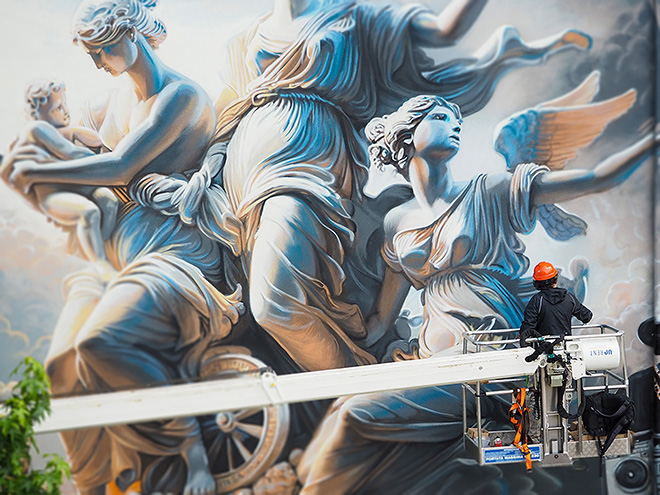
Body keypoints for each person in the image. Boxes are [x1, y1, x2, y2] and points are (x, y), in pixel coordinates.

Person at [141, 0, 592, 373]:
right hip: (243, 174)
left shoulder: (352, 19)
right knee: (245, 299)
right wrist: (203, 173)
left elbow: (442, 28)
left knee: (274, 303)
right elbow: (229, 110)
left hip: (304, 162)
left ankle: (355, 384)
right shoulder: (250, 33)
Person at [296, 93, 654, 494]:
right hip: (433, 362)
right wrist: (312, 317)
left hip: (488, 364)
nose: (455, 125)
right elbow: (379, 322)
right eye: (440, 116)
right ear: (409, 132)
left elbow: (597, 178)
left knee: (353, 418)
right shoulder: (398, 221)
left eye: (458, 121)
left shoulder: (491, 191)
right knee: (341, 412)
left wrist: (651, 140)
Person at [1, 1, 243, 494]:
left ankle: (192, 449)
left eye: (102, 49)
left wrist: (37, 171)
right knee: (60, 371)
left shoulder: (181, 97)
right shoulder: (113, 100)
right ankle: (99, 481)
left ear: (129, 32)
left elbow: (118, 170)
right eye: (90, 53)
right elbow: (84, 152)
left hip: (173, 253)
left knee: (99, 343)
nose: (97, 64)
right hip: (113, 255)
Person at [18, 78, 117, 280]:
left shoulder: (61, 132)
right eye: (57, 107)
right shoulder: (37, 130)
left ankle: (98, 249)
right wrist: (103, 163)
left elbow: (98, 140)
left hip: (76, 187)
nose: (65, 111)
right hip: (52, 193)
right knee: (87, 212)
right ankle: (98, 263)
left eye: (65, 104)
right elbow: (76, 155)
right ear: (38, 114)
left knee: (109, 200)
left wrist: (71, 130)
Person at [518, 261, 593, 346]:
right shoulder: (569, 297)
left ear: (536, 283)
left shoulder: (536, 301)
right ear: (556, 280)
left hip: (543, 347)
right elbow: (587, 316)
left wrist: (521, 335)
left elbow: (528, 326)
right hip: (565, 346)